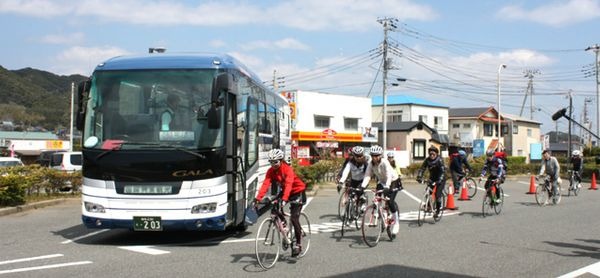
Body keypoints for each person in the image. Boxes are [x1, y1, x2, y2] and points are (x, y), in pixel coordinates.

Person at [255, 148, 307, 257]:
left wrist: (284, 200)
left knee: (294, 218)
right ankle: (284, 225)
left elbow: (289, 185)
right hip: (286, 192)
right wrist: (258, 198)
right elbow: (265, 184)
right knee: (274, 207)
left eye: (276, 162)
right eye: (271, 162)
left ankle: (298, 244)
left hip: (298, 192)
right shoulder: (271, 171)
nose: (273, 165)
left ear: (281, 160)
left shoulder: (288, 170)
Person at [360, 145, 403, 236]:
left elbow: (388, 175)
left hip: (393, 181)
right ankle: (380, 214)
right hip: (382, 181)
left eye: (376, 156)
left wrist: (387, 187)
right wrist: (362, 186)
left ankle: (396, 223)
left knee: (390, 201)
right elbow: (367, 175)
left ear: (380, 155)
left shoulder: (385, 162)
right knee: (377, 197)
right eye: (373, 156)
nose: (374, 158)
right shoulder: (371, 164)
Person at [416, 146, 446, 218]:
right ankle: (429, 206)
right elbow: (422, 168)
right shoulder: (427, 160)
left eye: (433, 154)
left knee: (437, 195)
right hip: (432, 178)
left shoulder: (440, 160)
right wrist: (419, 176)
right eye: (430, 154)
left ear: (436, 154)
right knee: (428, 191)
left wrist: (440, 180)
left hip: (440, 178)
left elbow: (443, 171)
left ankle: (438, 211)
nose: (432, 155)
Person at [337, 146, 370, 212]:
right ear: (354, 156)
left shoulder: (365, 163)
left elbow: (367, 175)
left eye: (360, 156)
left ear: (363, 155)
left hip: (362, 181)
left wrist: (363, 185)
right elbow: (345, 172)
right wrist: (341, 182)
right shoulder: (350, 163)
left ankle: (362, 202)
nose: (359, 158)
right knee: (350, 194)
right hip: (354, 180)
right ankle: (350, 208)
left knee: (359, 193)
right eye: (357, 156)